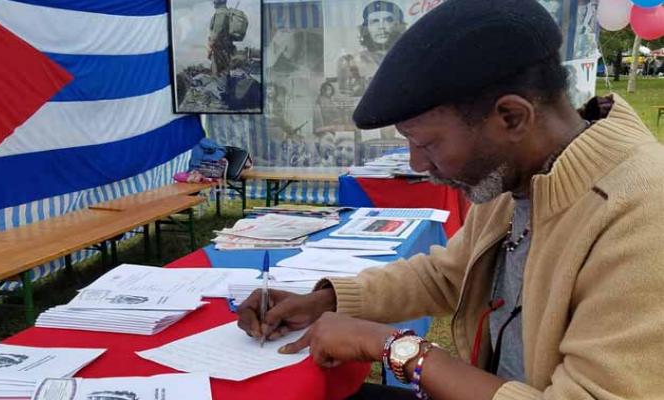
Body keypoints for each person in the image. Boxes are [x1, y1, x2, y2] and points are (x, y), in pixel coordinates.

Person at [238, 0, 664, 399]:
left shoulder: (643, 214)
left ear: (511, 117)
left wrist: (390, 346)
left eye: (428, 144)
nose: (417, 164)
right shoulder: (521, 172)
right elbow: (448, 275)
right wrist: (324, 300)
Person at [336, 1, 406, 91]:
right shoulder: (350, 62)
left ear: (397, 25)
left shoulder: (411, 59)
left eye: (388, 20)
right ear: (367, 28)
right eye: (375, 21)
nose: (381, 26)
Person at [208, 0, 236, 78]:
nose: (213, 2)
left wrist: (210, 47)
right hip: (225, 49)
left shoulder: (221, 13)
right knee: (224, 74)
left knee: (218, 76)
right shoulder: (227, 13)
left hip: (219, 49)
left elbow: (216, 32)